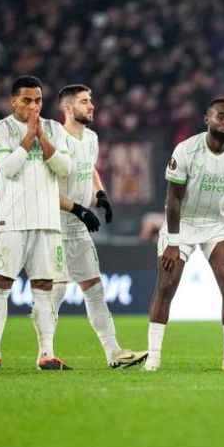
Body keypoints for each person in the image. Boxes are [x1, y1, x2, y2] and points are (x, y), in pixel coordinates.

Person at [144, 97, 224, 371]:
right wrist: (173, 241)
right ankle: (153, 357)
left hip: (217, 225)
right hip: (182, 224)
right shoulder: (186, 151)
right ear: (207, 120)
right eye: (221, 117)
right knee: (166, 286)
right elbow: (173, 200)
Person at [50, 84, 147, 369]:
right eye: (84, 101)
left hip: (78, 229)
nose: (91, 106)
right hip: (54, 227)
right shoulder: (55, 138)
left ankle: (114, 353)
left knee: (94, 289)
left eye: (90, 100)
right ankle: (45, 354)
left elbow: (90, 168)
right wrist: (78, 208)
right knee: (55, 292)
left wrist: (101, 194)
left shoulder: (91, 138)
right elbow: (45, 189)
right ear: (68, 108)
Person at [0, 75, 72, 370]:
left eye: (38, 101)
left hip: (47, 220)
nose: (33, 106)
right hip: (13, 219)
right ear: (13, 101)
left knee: (44, 286)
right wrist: (28, 137)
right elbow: (8, 168)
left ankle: (46, 353)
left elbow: (65, 168)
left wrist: (41, 137)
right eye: (27, 100)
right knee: (2, 283)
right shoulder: (0, 128)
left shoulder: (54, 129)